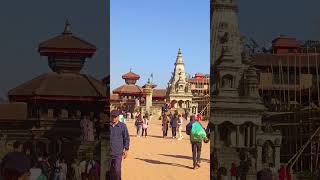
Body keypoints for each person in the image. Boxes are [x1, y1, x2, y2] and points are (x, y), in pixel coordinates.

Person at [109, 109, 130, 180]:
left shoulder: (122, 126)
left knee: (117, 170)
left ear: (118, 117)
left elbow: (126, 138)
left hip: (118, 153)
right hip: (108, 153)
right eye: (112, 116)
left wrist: (126, 149)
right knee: (110, 171)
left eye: (115, 116)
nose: (113, 118)